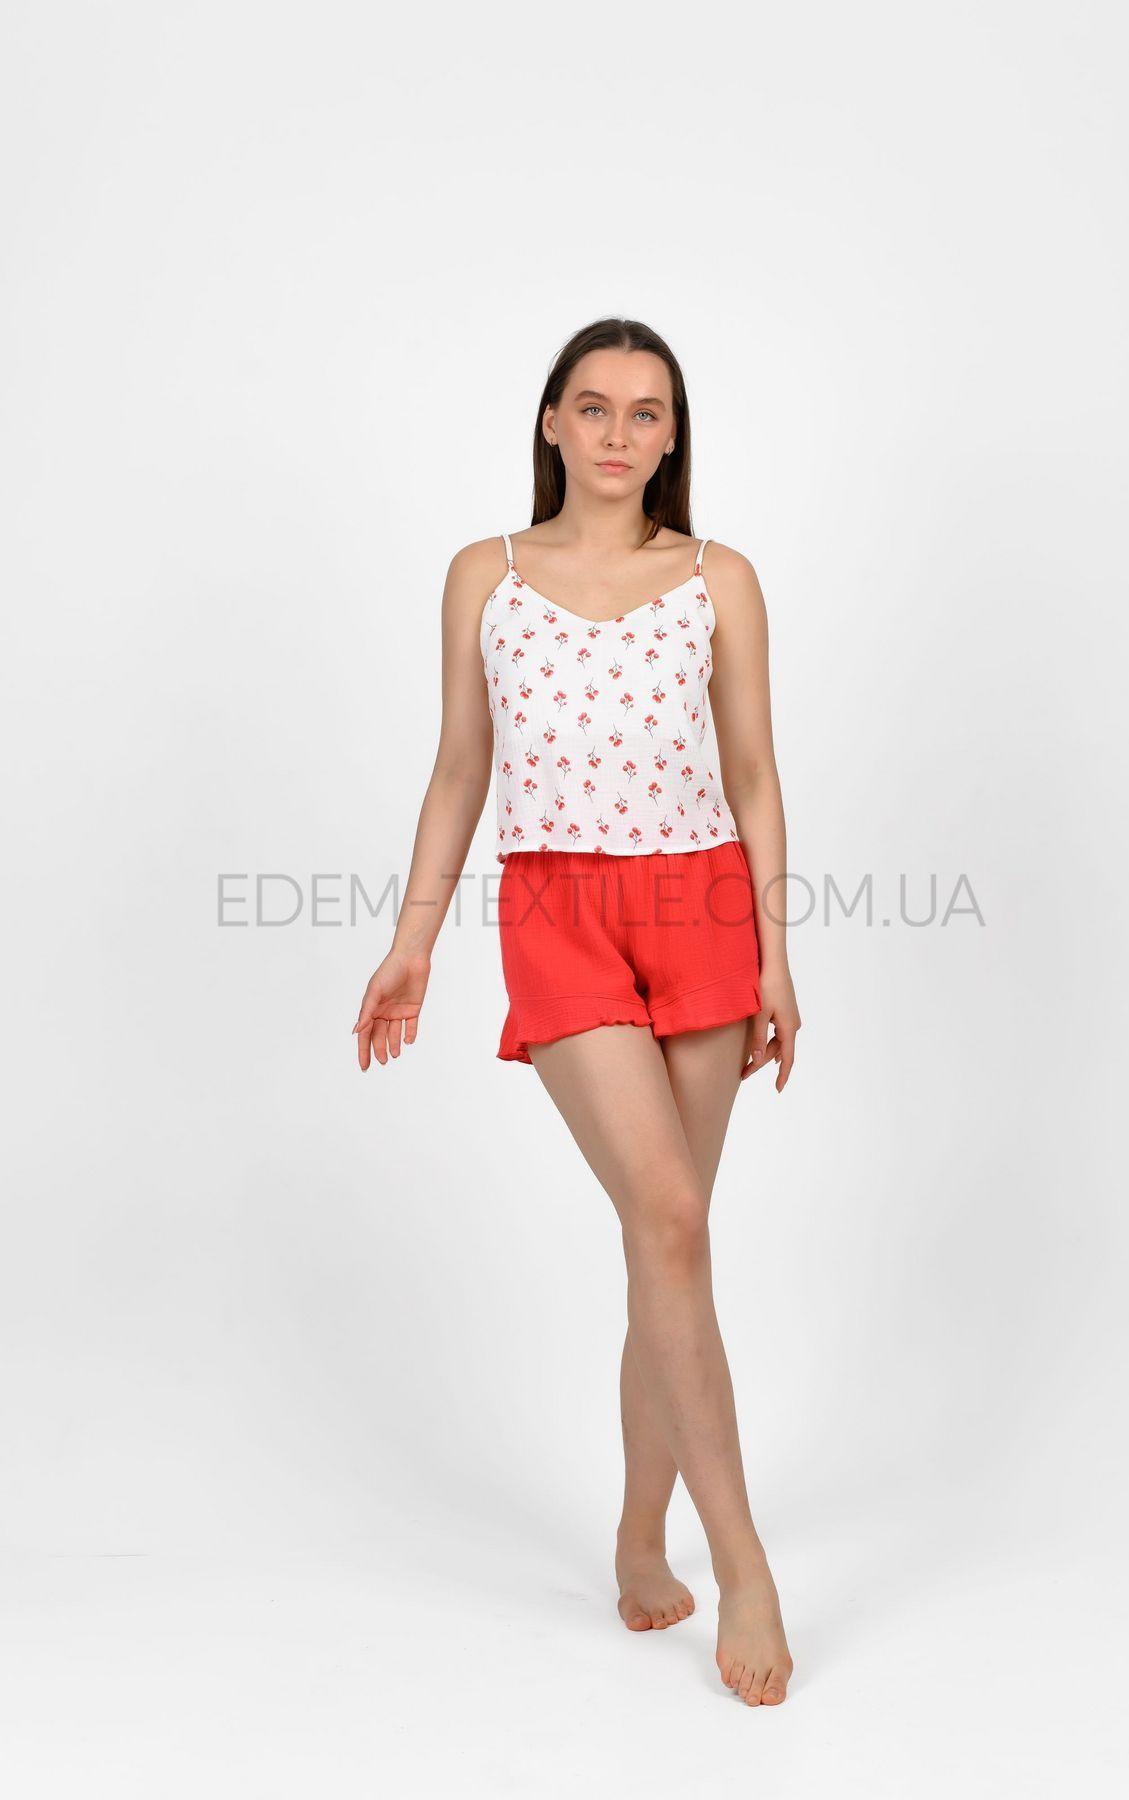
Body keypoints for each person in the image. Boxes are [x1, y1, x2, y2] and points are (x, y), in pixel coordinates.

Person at [351, 317, 801, 1707]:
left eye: (645, 412)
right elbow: (458, 769)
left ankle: (638, 1532)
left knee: (669, 1243)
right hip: (559, 913)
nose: (617, 433)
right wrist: (412, 945)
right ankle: (744, 1565)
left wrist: (777, 961)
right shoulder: (483, 577)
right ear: (551, 422)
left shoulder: (718, 579)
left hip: (703, 907)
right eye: (592, 407)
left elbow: (753, 774)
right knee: (667, 1218)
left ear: (672, 437)